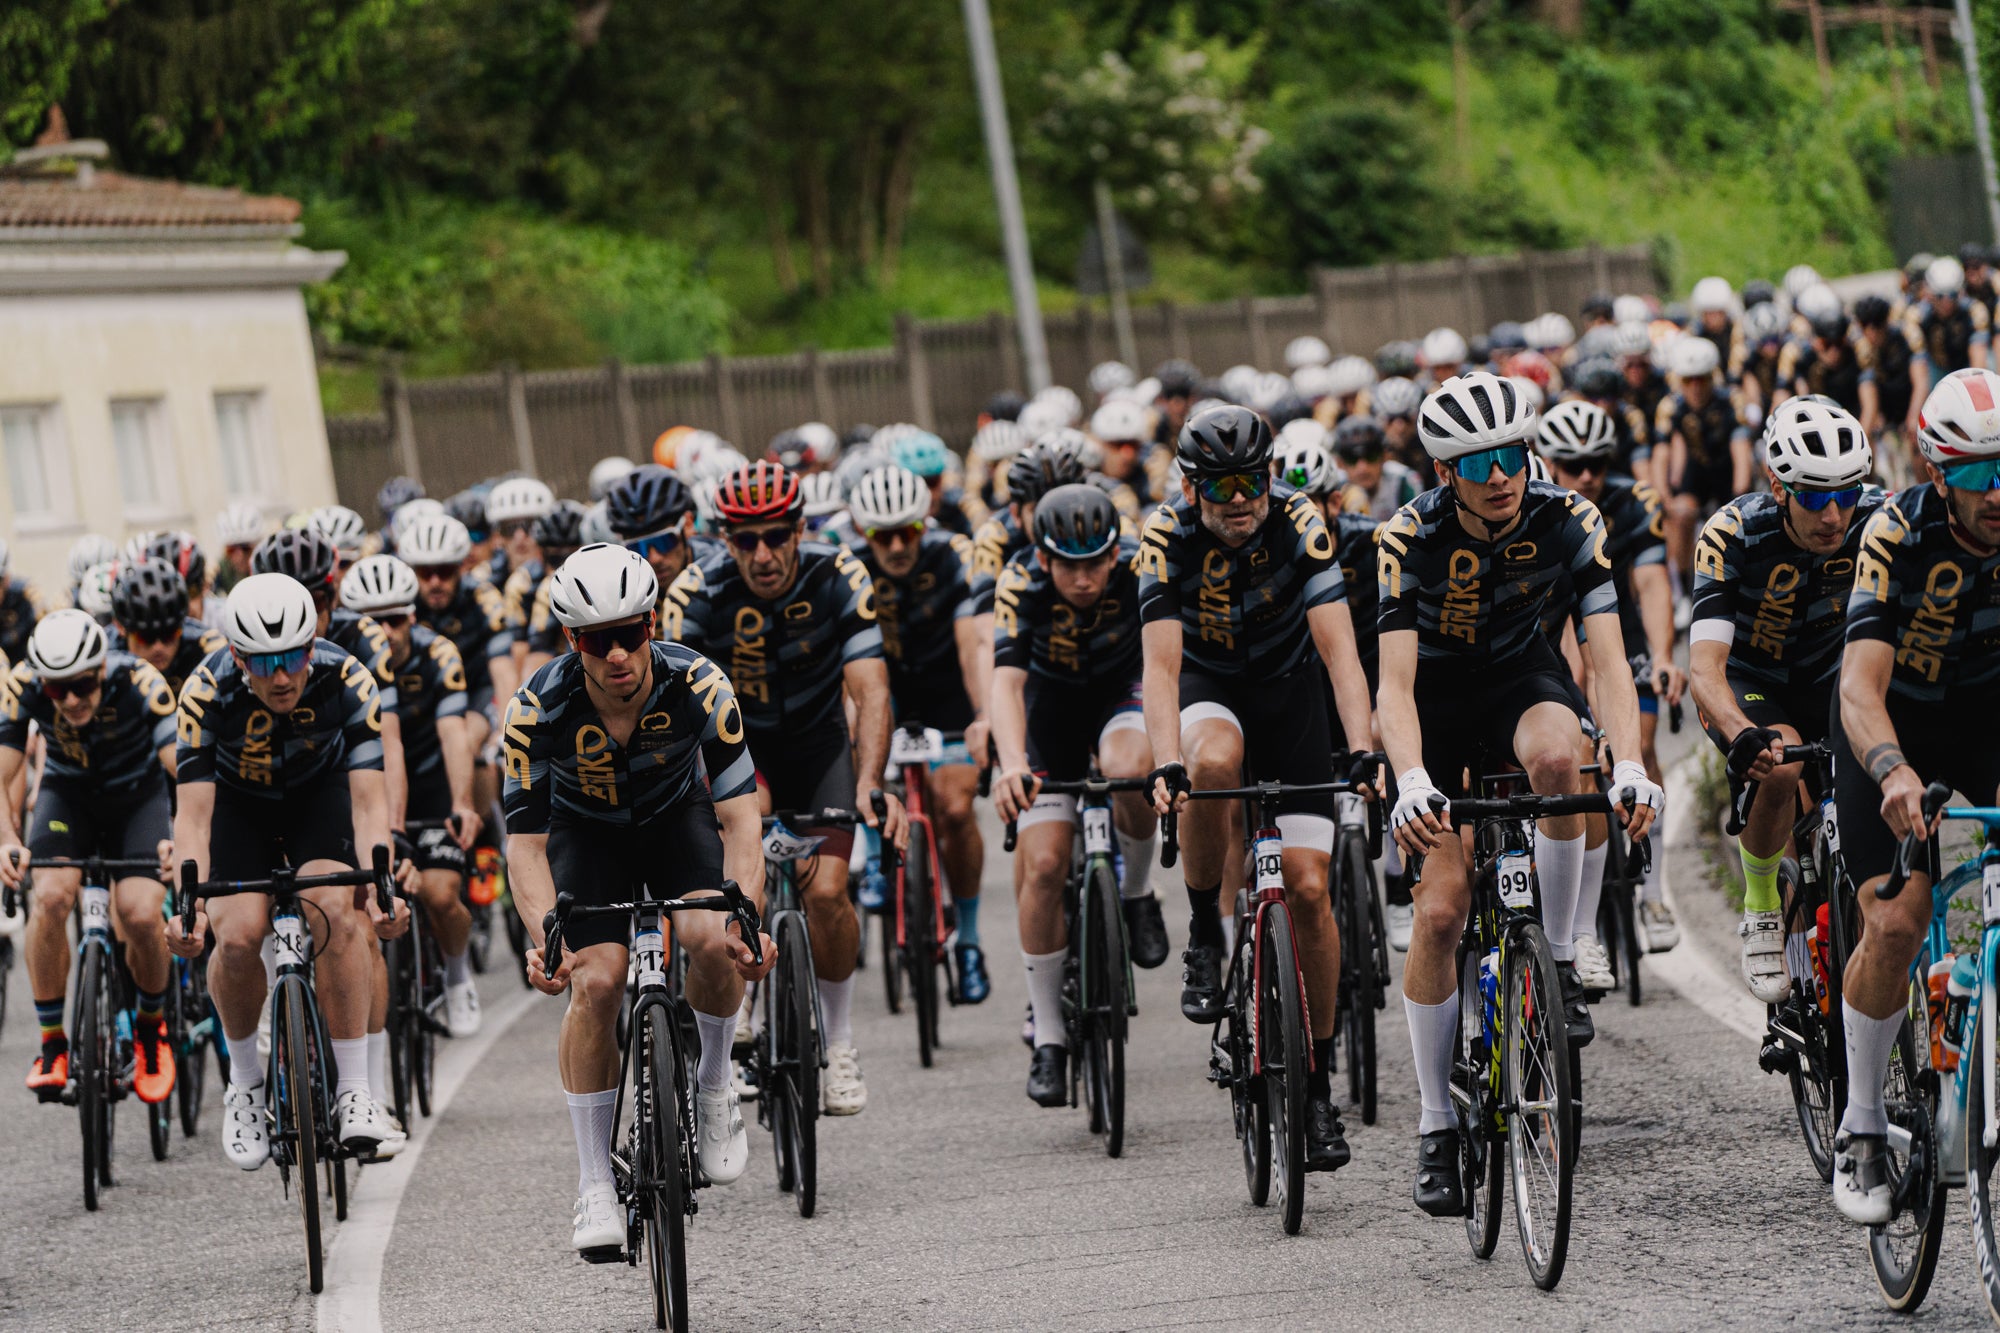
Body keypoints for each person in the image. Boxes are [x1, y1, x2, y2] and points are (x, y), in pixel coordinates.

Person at [1377, 371, 1661, 1218]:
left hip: (1518, 679)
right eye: (1477, 463)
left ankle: (1562, 958)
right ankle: (1436, 1124)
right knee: (1440, 913)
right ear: (1444, 473)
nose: (1500, 474)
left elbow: (1606, 659)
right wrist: (1412, 779)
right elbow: (1393, 686)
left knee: (1561, 761)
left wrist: (1632, 762)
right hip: (1433, 702)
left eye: (1512, 454)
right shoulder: (1407, 537)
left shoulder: (1569, 517)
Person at [501, 543, 773, 1252]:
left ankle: (714, 1084)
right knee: (596, 981)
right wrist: (547, 938)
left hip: (675, 819)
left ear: (652, 623)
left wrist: (745, 915)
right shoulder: (535, 708)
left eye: (631, 633)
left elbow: (742, 819)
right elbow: (525, 847)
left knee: (711, 939)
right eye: (599, 641)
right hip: (585, 834)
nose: (618, 653)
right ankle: (594, 1180)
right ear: (573, 640)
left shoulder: (701, 684)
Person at [1138, 404, 1377, 1173]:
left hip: (1290, 694)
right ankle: (1205, 930)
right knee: (1212, 764)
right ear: (1189, 487)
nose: (1240, 498)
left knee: (1307, 889)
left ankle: (1318, 1083)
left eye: (1253, 480)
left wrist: (1363, 748)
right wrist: (1165, 760)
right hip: (1209, 687)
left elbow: (1341, 652)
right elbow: (1161, 668)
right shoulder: (1164, 536)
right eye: (1221, 485)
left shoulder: (1301, 523)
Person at [662, 461, 905, 1116]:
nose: (763, 554)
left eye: (776, 536)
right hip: (740, 750)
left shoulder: (839, 573)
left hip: (820, 744)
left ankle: (841, 1042)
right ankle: (743, 990)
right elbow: (678, 712)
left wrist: (870, 781)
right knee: (751, 841)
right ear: (725, 539)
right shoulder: (696, 592)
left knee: (826, 892)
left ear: (800, 529)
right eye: (746, 540)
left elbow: (870, 689)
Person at [1829, 367, 2000, 1224]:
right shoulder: (1895, 532)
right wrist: (1893, 769)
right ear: (1937, 471)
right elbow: (1858, 686)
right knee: (1896, 921)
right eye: (1977, 473)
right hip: (1894, 721)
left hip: (1986, 717)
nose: (1997, 491)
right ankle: (1861, 1126)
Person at [164, 574, 408, 1167]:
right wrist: (188, 906)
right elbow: (193, 817)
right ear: (236, 657)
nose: (280, 677)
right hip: (238, 807)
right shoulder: (203, 693)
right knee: (238, 936)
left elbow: (369, 804)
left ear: (311, 645)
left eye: (293, 658)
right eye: (263, 662)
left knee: (336, 913)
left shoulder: (348, 679)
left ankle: (355, 1091)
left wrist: (381, 888)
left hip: (317, 798)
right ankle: (245, 1085)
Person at [1685, 396, 1880, 1004]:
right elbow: (1704, 668)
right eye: (1815, 498)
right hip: (1751, 681)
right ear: (1777, 486)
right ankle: (1764, 906)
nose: (1833, 515)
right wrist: (1740, 732)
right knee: (1781, 763)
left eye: (1846, 494)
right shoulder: (1733, 533)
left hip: (1831, 675)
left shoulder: (1881, 521)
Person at [990, 484, 1166, 1103]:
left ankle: (1137, 893)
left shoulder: (1143, 565)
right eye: (1069, 565)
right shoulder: (1019, 583)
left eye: (1096, 562)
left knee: (1128, 768)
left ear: (1115, 553)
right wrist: (1012, 764)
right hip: (1050, 711)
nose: (1085, 578)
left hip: (1122, 691)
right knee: (1042, 865)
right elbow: (1005, 686)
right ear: (1044, 558)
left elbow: (1169, 657)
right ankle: (1048, 1036)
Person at [0, 610, 178, 1103]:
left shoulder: (140, 680)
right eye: (58, 690)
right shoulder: (23, 684)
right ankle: (53, 1045)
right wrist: (6, 838)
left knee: (140, 913)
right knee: (51, 898)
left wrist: (185, 835)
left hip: (136, 798)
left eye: (82, 685)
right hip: (67, 797)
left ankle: (150, 1030)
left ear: (101, 669)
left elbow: (185, 768)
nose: (72, 700)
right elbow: (2, 774)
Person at [1536, 399, 1684, 958]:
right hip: (1557, 631)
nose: (1587, 476)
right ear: (1549, 463)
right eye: (1573, 465)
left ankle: (1653, 893)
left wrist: (1664, 656)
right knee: (1574, 744)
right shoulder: (1539, 511)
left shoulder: (1635, 501)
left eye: (1597, 462)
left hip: (1621, 627)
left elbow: (1651, 584)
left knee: (1638, 743)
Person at [845, 466, 993, 1002]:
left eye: (906, 532)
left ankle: (969, 941)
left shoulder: (951, 554)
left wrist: (983, 714)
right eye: (882, 535)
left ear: (923, 522)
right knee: (851, 719)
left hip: (945, 692)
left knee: (954, 808)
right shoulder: (847, 568)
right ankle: (872, 855)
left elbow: (972, 646)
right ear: (863, 532)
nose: (896, 546)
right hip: (883, 690)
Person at [342, 554, 486, 1036]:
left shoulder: (438, 653)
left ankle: (458, 976)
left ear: (413, 615)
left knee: (441, 895)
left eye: (395, 619)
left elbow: (453, 734)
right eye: (373, 621)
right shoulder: (343, 661)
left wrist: (462, 802)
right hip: (368, 786)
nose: (385, 632)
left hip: (431, 781)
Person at [1660, 336, 1753, 601]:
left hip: (1727, 469)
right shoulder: (1670, 406)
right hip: (1696, 470)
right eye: (1688, 380)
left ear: (1713, 377)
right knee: (1681, 516)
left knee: (1740, 521)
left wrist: (1740, 493)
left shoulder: (1732, 400)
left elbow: (1741, 449)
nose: (1696, 387)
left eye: (1702, 379)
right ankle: (1681, 588)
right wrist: (1665, 498)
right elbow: (1663, 453)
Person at [110, 557, 227, 698]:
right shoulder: (107, 657)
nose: (158, 647)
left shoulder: (205, 646)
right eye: (146, 637)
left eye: (169, 635)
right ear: (120, 628)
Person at [1332, 415, 1422, 521]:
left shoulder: (1404, 481)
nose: (1363, 468)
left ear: (1385, 456)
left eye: (1371, 456)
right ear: (1340, 463)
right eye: (1351, 459)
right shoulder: (1333, 487)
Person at [214, 502, 267, 597]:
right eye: (231, 550)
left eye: (245, 548)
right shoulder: (221, 570)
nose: (239, 557)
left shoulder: (268, 566)